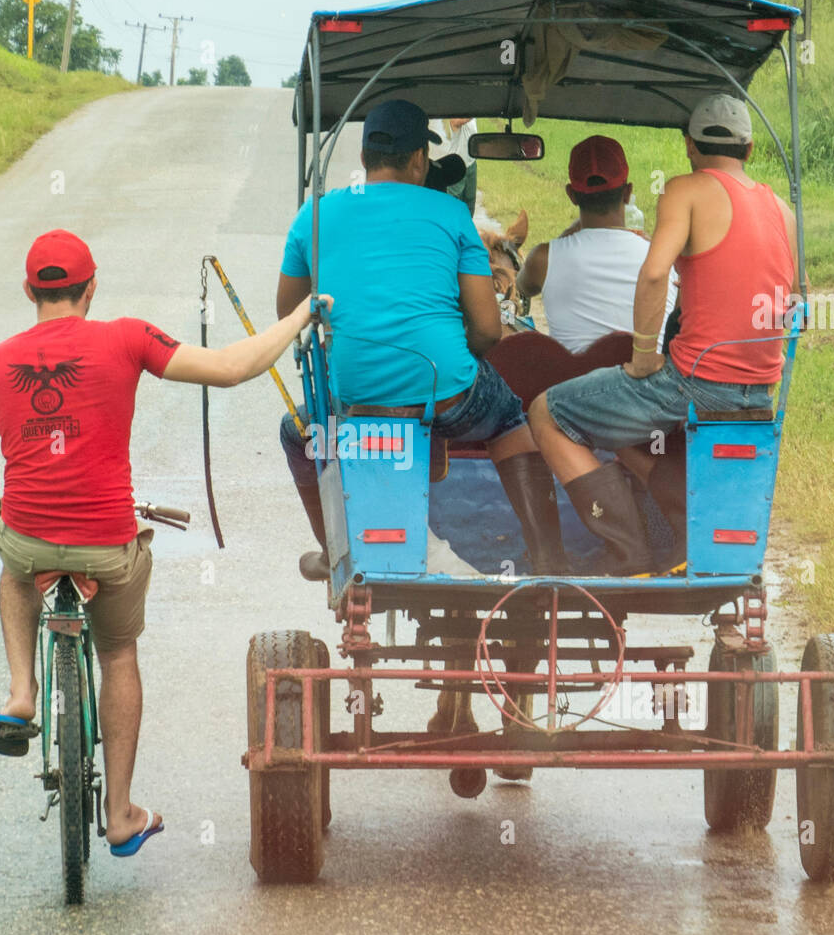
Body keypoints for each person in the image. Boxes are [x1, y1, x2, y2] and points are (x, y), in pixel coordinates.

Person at [0, 229, 327, 856]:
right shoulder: (126, 337)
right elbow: (235, 367)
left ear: (28, 291)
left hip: (29, 537)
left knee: (14, 568)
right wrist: (301, 312)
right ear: (91, 288)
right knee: (118, 652)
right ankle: (120, 813)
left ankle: (21, 693)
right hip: (107, 544)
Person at [276, 99, 569, 580]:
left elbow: (289, 313)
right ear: (418, 160)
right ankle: (550, 559)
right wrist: (456, 357)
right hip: (448, 396)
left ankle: (336, 551)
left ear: (367, 157)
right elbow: (488, 329)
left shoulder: (315, 215)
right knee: (510, 417)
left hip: (356, 400)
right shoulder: (451, 214)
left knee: (298, 433)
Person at [527, 94, 799, 575]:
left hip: (694, 381)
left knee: (546, 412)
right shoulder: (782, 209)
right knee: (625, 423)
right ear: (750, 149)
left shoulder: (685, 190)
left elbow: (655, 274)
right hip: (760, 387)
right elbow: (794, 299)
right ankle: (678, 525)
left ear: (690, 147)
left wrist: (642, 356)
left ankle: (628, 550)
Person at [516, 135, 677, 356]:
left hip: (574, 388)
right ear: (628, 193)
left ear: (571, 195)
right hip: (647, 385)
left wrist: (564, 236)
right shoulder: (663, 258)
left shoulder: (543, 259)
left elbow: (522, 287)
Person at [430, 117, 478, 210]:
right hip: (455, 167)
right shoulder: (454, 111)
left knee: (469, 206)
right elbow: (456, 121)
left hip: (471, 163)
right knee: (453, 205)